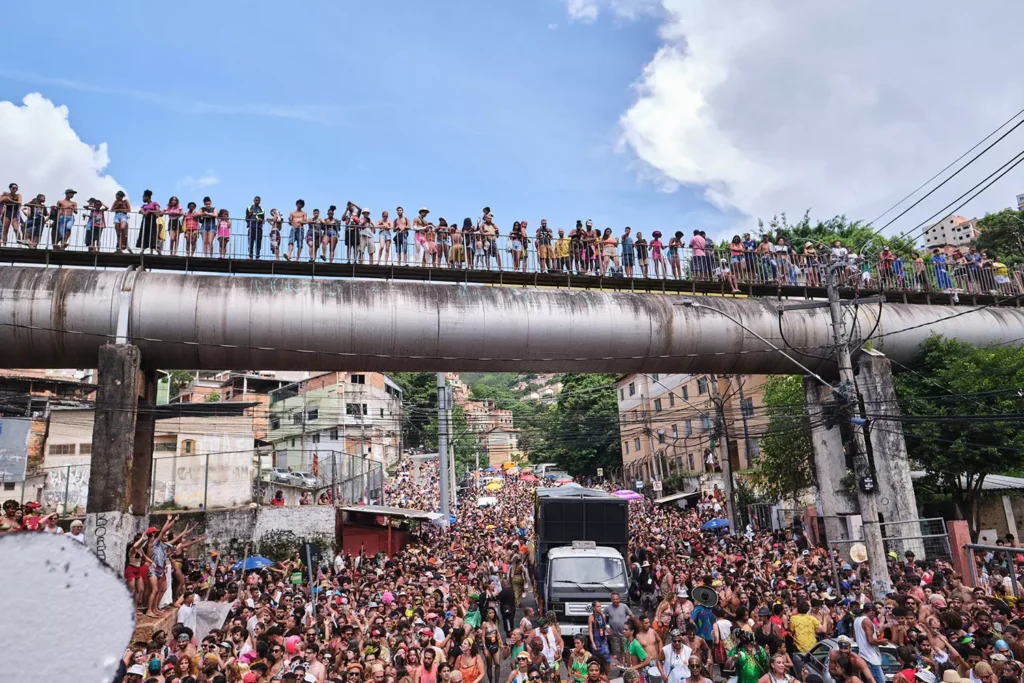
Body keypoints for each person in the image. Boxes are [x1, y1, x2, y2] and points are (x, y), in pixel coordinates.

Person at [854, 603, 887, 683]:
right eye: (875, 613)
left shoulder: (857, 620)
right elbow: (870, 640)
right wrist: (881, 642)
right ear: (871, 611)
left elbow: (855, 638)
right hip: (871, 657)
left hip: (862, 655)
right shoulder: (866, 620)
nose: (874, 616)